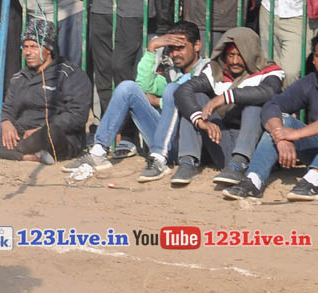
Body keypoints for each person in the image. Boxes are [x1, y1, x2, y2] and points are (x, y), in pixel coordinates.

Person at [61, 21, 204, 179]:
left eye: (180, 48)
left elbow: (193, 102)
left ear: (197, 45)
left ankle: (159, 159)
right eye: (171, 49)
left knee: (172, 90)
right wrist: (151, 49)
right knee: (127, 87)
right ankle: (98, 152)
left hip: (188, 148)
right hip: (164, 140)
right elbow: (144, 86)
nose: (175, 54)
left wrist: (158, 102)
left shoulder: (206, 69)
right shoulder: (173, 73)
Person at [0, 17, 91, 163]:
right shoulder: (19, 77)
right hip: (21, 134)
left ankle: (16, 151)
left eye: (34, 47)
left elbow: (77, 114)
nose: (28, 52)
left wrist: (42, 129)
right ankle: (28, 156)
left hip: (53, 135)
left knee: (51, 134)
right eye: (25, 47)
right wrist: (5, 123)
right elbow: (8, 108)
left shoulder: (69, 74)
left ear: (48, 49)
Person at [170, 27, 284, 186]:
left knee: (254, 104)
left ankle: (239, 164)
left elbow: (268, 92)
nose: (235, 61)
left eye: (240, 55)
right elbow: (183, 90)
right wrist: (200, 121)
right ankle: (187, 162)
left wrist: (226, 97)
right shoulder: (215, 71)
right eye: (231, 55)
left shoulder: (270, 71)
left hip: (253, 149)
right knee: (197, 97)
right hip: (223, 144)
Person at [223, 35, 318, 200]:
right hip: (314, 148)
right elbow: (273, 105)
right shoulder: (311, 82)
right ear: (314, 60)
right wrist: (280, 135)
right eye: (317, 56)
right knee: (280, 120)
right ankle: (253, 180)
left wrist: (295, 134)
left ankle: (313, 180)